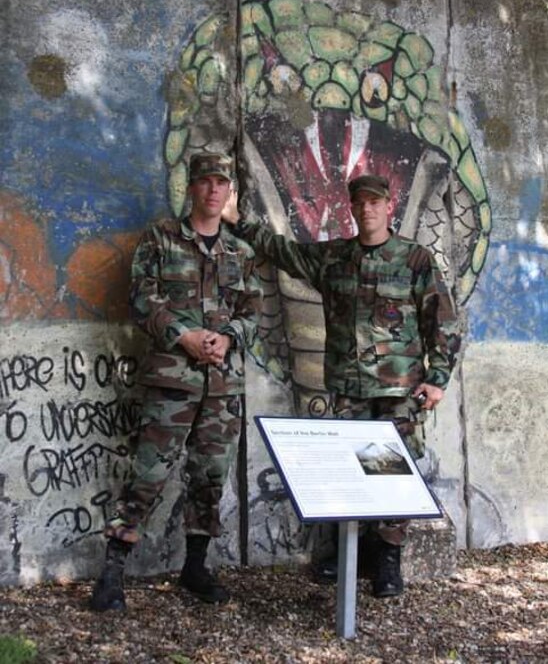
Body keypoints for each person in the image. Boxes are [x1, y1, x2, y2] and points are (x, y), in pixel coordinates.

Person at [224, 173, 460, 598]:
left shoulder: (414, 259)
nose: (367, 208)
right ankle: (347, 554)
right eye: (360, 202)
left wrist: (437, 379)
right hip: (348, 392)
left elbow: (440, 322)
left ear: (390, 206)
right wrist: (238, 220)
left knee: (391, 477)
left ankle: (386, 560)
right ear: (351, 207)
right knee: (349, 475)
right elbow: (282, 251)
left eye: (375, 202)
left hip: (395, 394)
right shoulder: (333, 258)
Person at [90, 152, 262, 611]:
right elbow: (141, 297)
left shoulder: (240, 253)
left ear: (229, 193)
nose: (212, 190)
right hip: (172, 383)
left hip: (223, 389)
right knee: (148, 475)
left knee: (209, 478)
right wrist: (183, 336)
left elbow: (253, 313)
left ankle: (195, 567)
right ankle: (112, 571)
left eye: (220, 183)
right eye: (205, 181)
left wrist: (227, 338)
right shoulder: (161, 239)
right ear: (192, 188)